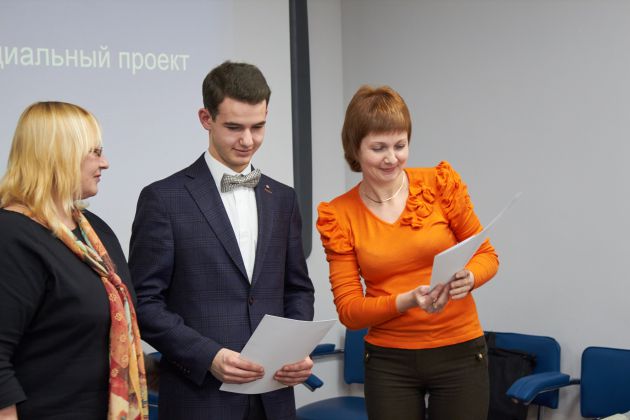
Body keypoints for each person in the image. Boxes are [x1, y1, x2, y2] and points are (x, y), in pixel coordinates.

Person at [129, 61, 315, 420]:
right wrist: (208, 356)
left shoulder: (284, 198)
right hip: (199, 398)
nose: (248, 140)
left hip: (274, 398)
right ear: (206, 118)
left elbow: (297, 290)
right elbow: (144, 303)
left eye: (258, 127)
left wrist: (296, 349)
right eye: (234, 127)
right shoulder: (163, 199)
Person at [316, 85, 499, 420]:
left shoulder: (439, 184)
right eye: (378, 148)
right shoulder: (339, 215)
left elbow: (486, 254)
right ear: (355, 148)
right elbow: (350, 311)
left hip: (459, 352)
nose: (392, 158)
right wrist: (407, 300)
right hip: (389, 363)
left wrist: (470, 278)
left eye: (400, 145)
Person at [0, 102, 148, 420]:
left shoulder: (95, 231)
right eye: (94, 152)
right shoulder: (11, 236)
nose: (105, 163)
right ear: (58, 155)